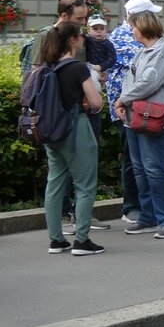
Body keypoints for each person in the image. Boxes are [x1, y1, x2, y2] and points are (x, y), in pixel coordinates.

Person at [25, 0, 109, 232]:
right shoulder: (48, 36)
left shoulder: (75, 39)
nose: (84, 24)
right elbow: (36, 74)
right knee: (75, 176)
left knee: (65, 173)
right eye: (79, 19)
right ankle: (73, 226)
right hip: (64, 115)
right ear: (64, 17)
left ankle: (66, 227)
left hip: (73, 112)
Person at [115, 0, 164, 240]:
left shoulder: (163, 51)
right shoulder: (143, 52)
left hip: (154, 120)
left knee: (154, 170)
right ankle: (148, 217)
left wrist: (123, 100)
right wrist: (123, 102)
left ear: (143, 26)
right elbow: (130, 81)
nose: (131, 31)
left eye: (133, 26)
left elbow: (148, 83)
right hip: (135, 119)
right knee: (141, 170)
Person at [39, 21, 106, 256]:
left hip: (51, 131)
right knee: (85, 185)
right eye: (81, 35)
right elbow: (96, 102)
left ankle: (56, 240)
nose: (84, 38)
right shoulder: (78, 68)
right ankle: (82, 241)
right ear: (73, 40)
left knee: (55, 185)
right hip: (76, 128)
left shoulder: (49, 66)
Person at [107, 13, 144, 224]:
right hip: (128, 111)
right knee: (132, 160)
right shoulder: (121, 37)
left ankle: (151, 206)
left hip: (145, 109)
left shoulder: (145, 38)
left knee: (148, 160)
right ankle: (132, 207)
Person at [83, 16, 117, 142]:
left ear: (106, 30)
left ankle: (95, 99)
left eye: (101, 29)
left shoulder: (107, 43)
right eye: (95, 29)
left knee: (93, 80)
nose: (98, 32)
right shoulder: (87, 40)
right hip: (87, 64)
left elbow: (113, 58)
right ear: (89, 30)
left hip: (98, 69)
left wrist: (101, 66)